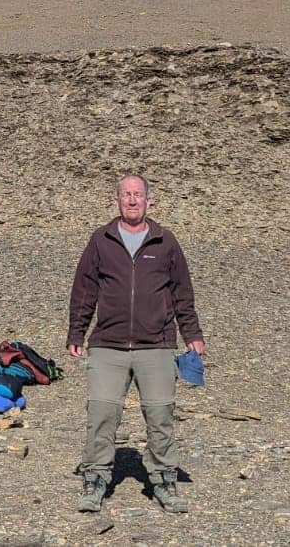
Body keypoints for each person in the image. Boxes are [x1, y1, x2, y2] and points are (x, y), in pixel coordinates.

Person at [67, 174, 204, 514]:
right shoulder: (101, 240)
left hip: (156, 345)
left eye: (138, 195)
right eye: (126, 195)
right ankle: (95, 479)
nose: (132, 200)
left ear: (149, 201)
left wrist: (192, 335)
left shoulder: (165, 241)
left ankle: (163, 480)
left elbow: (181, 293)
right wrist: (76, 333)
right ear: (117, 200)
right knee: (102, 413)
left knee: (160, 415)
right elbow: (84, 290)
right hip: (108, 344)